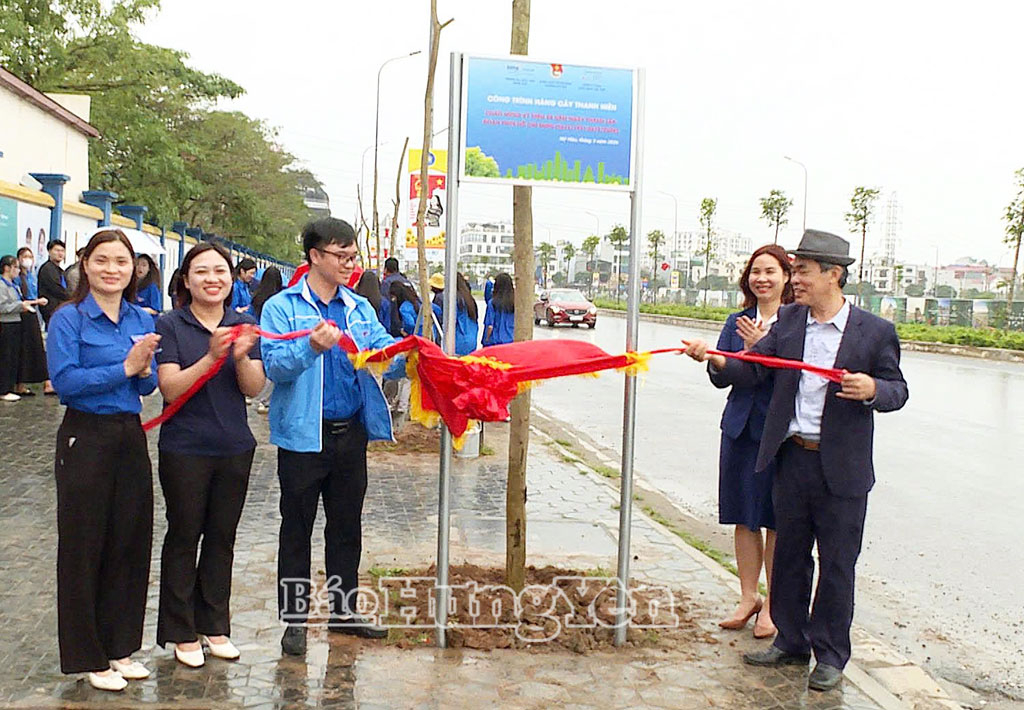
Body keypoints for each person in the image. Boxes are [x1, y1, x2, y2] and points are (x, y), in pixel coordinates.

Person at [684, 230, 908, 691]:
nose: (796, 280)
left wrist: (873, 389)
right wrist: (717, 360)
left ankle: (830, 655)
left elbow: (897, 390)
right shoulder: (788, 322)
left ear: (833, 274)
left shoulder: (873, 332)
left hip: (841, 468)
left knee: (837, 564)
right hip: (791, 458)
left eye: (802, 271)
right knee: (789, 558)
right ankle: (790, 641)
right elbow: (754, 369)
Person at [260, 217, 403, 656]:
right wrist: (311, 347)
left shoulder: (358, 307)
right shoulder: (283, 307)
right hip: (303, 437)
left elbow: (381, 351)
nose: (349, 264)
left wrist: (413, 354)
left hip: (350, 434)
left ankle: (344, 612)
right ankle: (295, 620)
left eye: (353, 256)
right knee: (296, 529)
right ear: (314, 256)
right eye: (341, 255)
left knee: (346, 527)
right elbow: (275, 366)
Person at [46, 229, 161, 692]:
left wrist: (144, 371)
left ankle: (120, 648)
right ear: (85, 265)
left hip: (129, 435)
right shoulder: (68, 319)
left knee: (129, 541)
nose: (112, 269)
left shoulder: (139, 317)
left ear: (134, 269)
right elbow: (66, 383)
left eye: (121, 261)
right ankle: (88, 656)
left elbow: (146, 386)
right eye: (102, 260)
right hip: (85, 435)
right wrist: (126, 368)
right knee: (84, 545)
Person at [154, 243, 265, 667]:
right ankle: (181, 631)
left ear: (231, 279)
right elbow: (170, 388)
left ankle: (214, 625)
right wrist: (211, 357)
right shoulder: (171, 324)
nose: (212, 279)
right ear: (186, 279)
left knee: (222, 538)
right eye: (201, 271)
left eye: (220, 271)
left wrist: (240, 356)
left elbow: (253, 388)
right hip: (184, 448)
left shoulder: (244, 325)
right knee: (184, 536)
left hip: (234, 446)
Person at [708, 244, 794, 639]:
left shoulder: (796, 324)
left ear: (786, 277)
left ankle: (773, 605)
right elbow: (721, 376)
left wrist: (761, 349)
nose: (762, 279)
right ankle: (748, 596)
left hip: (779, 433)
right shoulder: (737, 321)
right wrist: (716, 360)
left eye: (770, 271)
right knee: (743, 514)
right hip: (739, 429)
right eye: (756, 271)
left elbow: (790, 378)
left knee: (775, 519)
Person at [13, 247, 55, 396]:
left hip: (33, 313)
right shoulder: (17, 278)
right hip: (22, 314)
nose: (28, 260)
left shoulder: (32, 276)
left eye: (30, 256)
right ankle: (20, 384)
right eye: (25, 256)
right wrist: (36, 301)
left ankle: (46, 382)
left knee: (37, 348)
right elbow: (20, 298)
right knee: (24, 349)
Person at [251, 266, 284, 414]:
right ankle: (265, 400)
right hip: (272, 336)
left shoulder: (256, 296)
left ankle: (254, 395)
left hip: (257, 335)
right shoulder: (280, 299)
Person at [0, 255, 33, 401]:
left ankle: (10, 386)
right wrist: (20, 306)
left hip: (16, 322)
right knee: (6, 357)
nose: (18, 271)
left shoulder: (13, 285)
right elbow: (2, 307)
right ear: (7, 268)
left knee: (13, 357)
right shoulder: (2, 285)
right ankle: (3, 389)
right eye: (16, 267)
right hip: (5, 323)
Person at [432, 272, 480, 356]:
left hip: (457, 341)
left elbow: (450, 322)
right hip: (472, 340)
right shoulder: (470, 300)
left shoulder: (454, 300)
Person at [380, 257, 414, 338]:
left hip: (394, 325)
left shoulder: (386, 283)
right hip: (410, 323)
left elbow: (385, 304)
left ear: (386, 269)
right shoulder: (407, 282)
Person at [38, 239, 69, 324]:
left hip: (60, 308)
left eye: (62, 251)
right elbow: (57, 289)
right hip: (52, 309)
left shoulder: (59, 270)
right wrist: (73, 298)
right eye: (57, 250)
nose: (60, 253)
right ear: (49, 252)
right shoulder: (47, 269)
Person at [481, 272, 514, 346]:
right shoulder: (514, 303)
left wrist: (486, 339)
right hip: (510, 341)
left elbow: (489, 325)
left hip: (495, 341)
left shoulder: (493, 303)